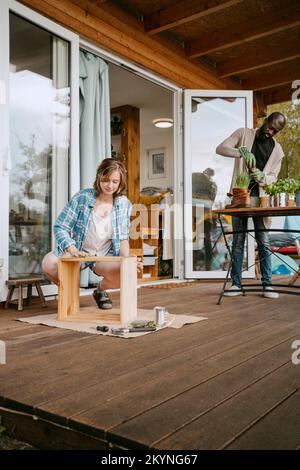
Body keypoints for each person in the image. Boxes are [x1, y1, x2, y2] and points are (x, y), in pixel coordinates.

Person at [42, 158, 141, 309]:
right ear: (99, 177)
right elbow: (60, 226)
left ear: (121, 182)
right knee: (49, 263)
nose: (109, 185)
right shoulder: (83, 197)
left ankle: (100, 290)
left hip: (104, 255)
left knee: (124, 273)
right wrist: (72, 249)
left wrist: (127, 261)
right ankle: (69, 289)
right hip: (78, 251)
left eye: (115, 181)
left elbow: (122, 238)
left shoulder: (124, 204)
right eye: (106, 180)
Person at [216, 112, 286, 299]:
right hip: (240, 198)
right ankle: (236, 284)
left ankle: (268, 285)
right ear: (266, 121)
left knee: (263, 242)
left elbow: (273, 177)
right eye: (270, 126)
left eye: (275, 131)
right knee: (238, 241)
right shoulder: (244, 134)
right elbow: (220, 148)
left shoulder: (278, 151)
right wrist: (241, 152)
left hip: (261, 199)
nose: (271, 132)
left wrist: (264, 178)